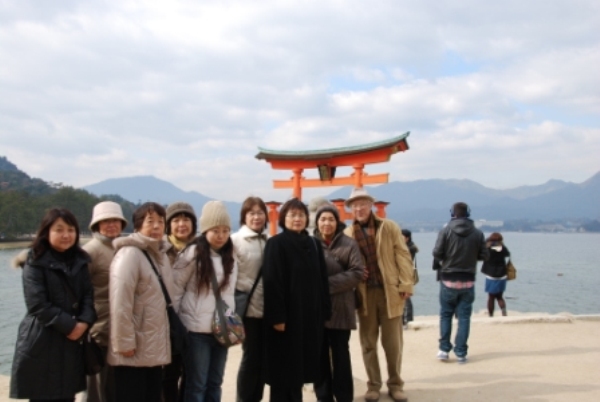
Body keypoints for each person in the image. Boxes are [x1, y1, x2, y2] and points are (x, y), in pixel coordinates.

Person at [10, 208, 97, 402]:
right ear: (46, 232)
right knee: (43, 395)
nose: (66, 235)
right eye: (59, 230)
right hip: (42, 342)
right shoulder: (35, 261)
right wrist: (72, 326)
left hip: (71, 345)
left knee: (68, 395)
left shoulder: (80, 260)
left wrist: (84, 322)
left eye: (71, 229)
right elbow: (38, 305)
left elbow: (88, 297)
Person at [343, 188, 414, 402]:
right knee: (368, 342)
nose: (359, 208)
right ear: (350, 209)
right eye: (355, 205)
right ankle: (373, 384)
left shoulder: (388, 226)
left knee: (393, 342)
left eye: (362, 203)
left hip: (389, 290)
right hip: (364, 294)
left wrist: (406, 282)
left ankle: (395, 383)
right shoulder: (348, 234)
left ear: (371, 205)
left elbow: (402, 253)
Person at [262, 198, 331, 402]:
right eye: (292, 215)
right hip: (286, 318)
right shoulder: (276, 244)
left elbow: (322, 279)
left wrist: (325, 310)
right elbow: (272, 281)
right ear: (284, 218)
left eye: (301, 215)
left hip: (309, 317)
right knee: (283, 370)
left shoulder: (313, 244)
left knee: (301, 368)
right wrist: (277, 317)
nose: (297, 219)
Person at [108, 202, 174, 402]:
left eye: (160, 222)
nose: (156, 226)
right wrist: (124, 343)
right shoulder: (130, 254)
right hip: (133, 348)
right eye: (150, 221)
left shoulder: (158, 255)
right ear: (137, 226)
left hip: (152, 346)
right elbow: (120, 303)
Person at [172, 200, 237, 402]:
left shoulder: (231, 255)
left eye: (226, 230)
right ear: (205, 230)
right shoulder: (193, 253)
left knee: (215, 382)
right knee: (197, 384)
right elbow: (175, 291)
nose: (221, 235)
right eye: (215, 230)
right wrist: (176, 325)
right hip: (196, 331)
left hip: (222, 329)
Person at [313, 205, 364, 402]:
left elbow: (357, 272)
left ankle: (344, 396)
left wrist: (324, 286)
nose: (327, 223)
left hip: (342, 307)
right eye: (323, 219)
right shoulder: (311, 244)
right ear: (317, 222)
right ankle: (323, 396)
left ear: (337, 222)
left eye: (331, 219)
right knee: (320, 355)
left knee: (341, 354)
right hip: (317, 309)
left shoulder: (349, 244)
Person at [432, 202, 488, 364]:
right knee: (464, 317)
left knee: (446, 314)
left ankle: (443, 349)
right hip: (468, 279)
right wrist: (471, 257)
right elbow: (484, 255)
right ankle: (461, 352)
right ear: (468, 213)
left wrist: (448, 258)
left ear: (452, 213)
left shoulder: (445, 231)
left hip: (448, 278)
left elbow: (437, 252)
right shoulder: (477, 233)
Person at [83, 201, 128, 402]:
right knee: (97, 385)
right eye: (106, 221)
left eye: (115, 221)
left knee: (115, 385)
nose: (111, 225)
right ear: (96, 225)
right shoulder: (90, 251)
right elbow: (81, 292)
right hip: (99, 328)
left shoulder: (123, 247)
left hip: (120, 327)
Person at [232, 197, 269, 402]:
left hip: (267, 310)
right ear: (244, 217)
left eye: (260, 212)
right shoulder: (235, 240)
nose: (256, 217)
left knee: (263, 360)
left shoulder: (269, 240)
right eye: (251, 213)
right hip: (247, 310)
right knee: (250, 358)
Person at [163, 201, 198, 402]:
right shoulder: (159, 250)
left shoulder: (203, 250)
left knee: (191, 375)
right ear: (168, 224)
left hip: (193, 323)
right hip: (167, 323)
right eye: (176, 220)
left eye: (186, 219)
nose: (181, 224)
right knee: (168, 376)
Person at [481, 232, 510, 317]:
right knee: (500, 297)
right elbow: (508, 254)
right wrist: (501, 245)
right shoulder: (502, 248)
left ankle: (491, 315)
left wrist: (488, 243)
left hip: (491, 275)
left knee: (491, 297)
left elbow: (482, 254)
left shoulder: (488, 249)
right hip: (502, 275)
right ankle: (504, 312)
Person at [401, 229, 419, 329]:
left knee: (406, 298)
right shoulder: (408, 247)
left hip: (407, 275)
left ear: (407, 238)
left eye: (401, 237)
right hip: (406, 275)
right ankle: (405, 320)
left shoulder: (409, 249)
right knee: (404, 298)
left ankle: (408, 320)